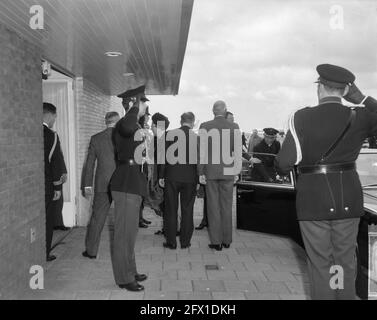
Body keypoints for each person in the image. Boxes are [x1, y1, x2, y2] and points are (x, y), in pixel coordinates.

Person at [276, 63, 377, 300]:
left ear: (319, 87)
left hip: (314, 199)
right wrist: (362, 98)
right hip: (349, 198)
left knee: (321, 264)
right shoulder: (361, 116)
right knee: (344, 261)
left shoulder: (300, 117)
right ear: (345, 91)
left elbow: (284, 162)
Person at [110, 85, 149, 291]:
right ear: (135, 103)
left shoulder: (133, 125)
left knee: (130, 233)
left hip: (131, 182)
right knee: (124, 235)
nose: (145, 107)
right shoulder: (125, 124)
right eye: (143, 103)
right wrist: (134, 107)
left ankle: (130, 270)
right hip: (125, 183)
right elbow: (127, 126)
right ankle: (124, 278)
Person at [198, 101, 242, 251]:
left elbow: (201, 152)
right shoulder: (234, 127)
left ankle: (216, 242)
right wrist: (237, 171)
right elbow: (237, 152)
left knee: (213, 207)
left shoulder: (205, 126)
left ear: (213, 111)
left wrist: (200, 172)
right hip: (228, 171)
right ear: (226, 111)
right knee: (227, 206)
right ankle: (227, 239)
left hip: (211, 171)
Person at [81, 112, 120, 259]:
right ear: (118, 122)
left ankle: (91, 251)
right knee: (122, 219)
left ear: (106, 122)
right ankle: (121, 253)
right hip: (121, 184)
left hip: (102, 184)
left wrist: (87, 185)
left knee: (97, 218)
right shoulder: (125, 138)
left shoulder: (96, 139)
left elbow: (89, 165)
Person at [159, 112, 198, 249]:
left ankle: (171, 241)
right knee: (188, 209)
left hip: (172, 176)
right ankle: (185, 242)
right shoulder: (197, 138)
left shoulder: (169, 134)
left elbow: (162, 157)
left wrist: (161, 176)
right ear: (193, 122)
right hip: (190, 178)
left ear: (181, 121)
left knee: (170, 209)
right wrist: (198, 178)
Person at [43, 103, 65, 261]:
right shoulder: (51, 135)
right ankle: (44, 253)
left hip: (32, 184)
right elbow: (55, 162)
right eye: (55, 116)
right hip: (47, 185)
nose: (55, 119)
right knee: (47, 220)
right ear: (49, 115)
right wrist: (57, 186)